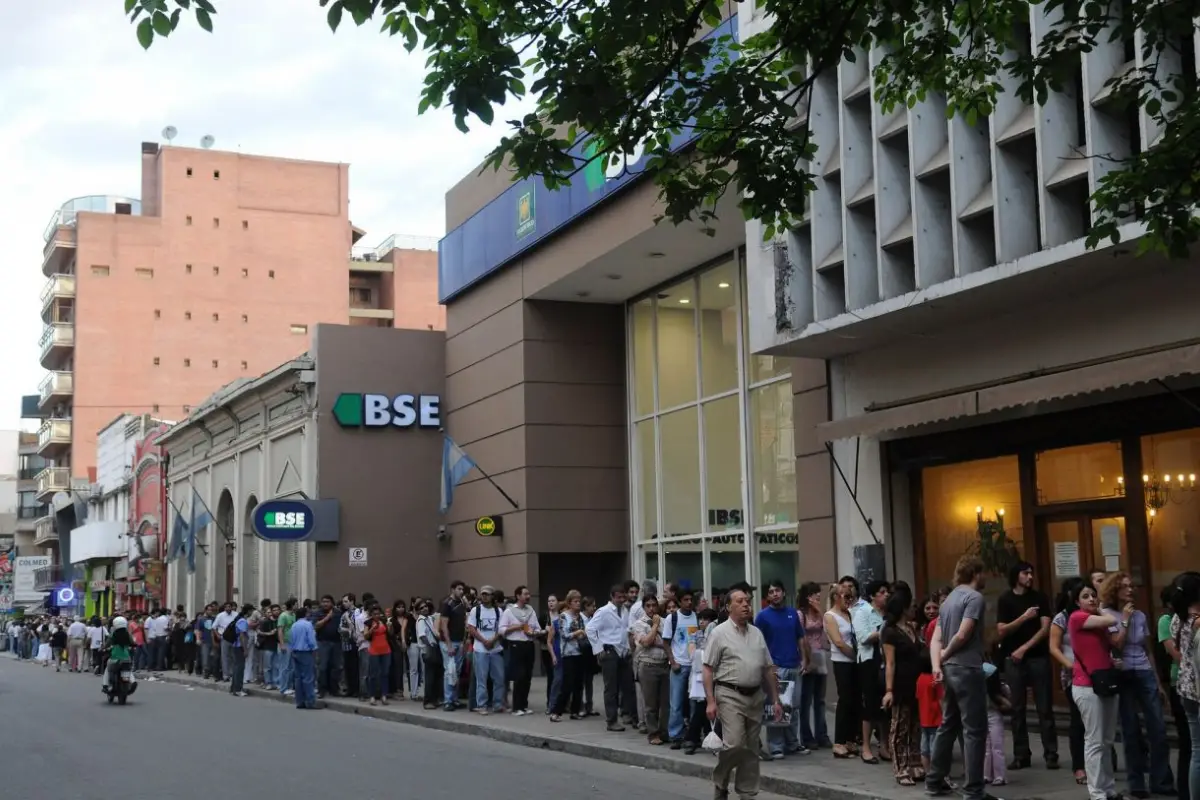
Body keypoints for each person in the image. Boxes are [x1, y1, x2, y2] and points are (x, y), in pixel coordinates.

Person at [703, 587, 782, 800]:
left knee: (751, 748)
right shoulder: (719, 633)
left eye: (747, 600)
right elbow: (708, 668)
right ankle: (720, 781)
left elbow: (768, 668)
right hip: (729, 694)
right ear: (729, 607)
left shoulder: (757, 633)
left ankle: (746, 792)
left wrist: (776, 699)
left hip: (755, 696)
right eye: (740, 601)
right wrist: (710, 701)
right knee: (735, 744)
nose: (746, 604)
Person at [1101, 570, 1175, 798]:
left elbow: (1147, 649)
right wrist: (1124, 619)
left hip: (1143, 671)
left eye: (1132, 586)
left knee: (1158, 729)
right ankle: (1137, 784)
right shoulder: (1106, 614)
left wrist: (1157, 680)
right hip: (1123, 674)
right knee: (1131, 730)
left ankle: (1161, 781)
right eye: (1125, 586)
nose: (1131, 590)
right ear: (1115, 590)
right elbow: (1116, 645)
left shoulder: (1141, 615)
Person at [927, 555, 989, 800]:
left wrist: (938, 663)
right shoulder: (974, 598)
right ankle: (973, 789)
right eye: (983, 572)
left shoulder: (949, 599)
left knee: (948, 724)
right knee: (974, 730)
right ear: (975, 573)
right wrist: (945, 655)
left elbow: (937, 637)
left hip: (951, 670)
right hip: (967, 667)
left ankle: (934, 780)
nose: (985, 577)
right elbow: (963, 634)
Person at [995, 561, 1057, 771]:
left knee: (1044, 707)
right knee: (1017, 708)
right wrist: (1023, 618)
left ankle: (1051, 753)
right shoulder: (1005, 599)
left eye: (1031, 573)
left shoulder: (1040, 598)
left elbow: (1045, 628)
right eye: (1025, 573)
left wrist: (1024, 648)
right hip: (1012, 659)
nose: (1030, 577)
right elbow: (1002, 630)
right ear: (1016, 575)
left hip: (1037, 657)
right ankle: (1021, 754)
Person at [1071, 578, 1123, 800]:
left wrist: (1112, 662)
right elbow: (1112, 619)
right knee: (1094, 740)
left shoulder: (1096, 622)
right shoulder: (1078, 618)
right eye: (1086, 596)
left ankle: (1108, 787)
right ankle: (1097, 792)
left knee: (1108, 739)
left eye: (1093, 595)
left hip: (1105, 681)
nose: (1091, 599)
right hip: (1086, 686)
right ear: (1076, 602)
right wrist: (1101, 607)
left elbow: (1110, 640)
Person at [881, 590, 924, 786]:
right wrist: (889, 690)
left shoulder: (911, 628)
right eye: (910, 605)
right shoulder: (889, 632)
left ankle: (915, 762)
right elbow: (890, 662)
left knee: (915, 726)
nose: (914, 608)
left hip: (916, 683)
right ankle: (901, 767)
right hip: (900, 684)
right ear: (902, 608)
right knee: (900, 727)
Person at [1050, 576, 1089, 787]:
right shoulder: (1062, 618)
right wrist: (1069, 665)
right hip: (1073, 674)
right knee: (1078, 719)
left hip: (1094, 672)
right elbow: (1054, 646)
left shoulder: (1091, 615)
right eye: (1084, 594)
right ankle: (1079, 766)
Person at [825, 582, 861, 759]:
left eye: (850, 596)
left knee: (855, 700)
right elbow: (838, 641)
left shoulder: (850, 614)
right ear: (835, 597)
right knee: (845, 699)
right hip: (842, 661)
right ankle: (839, 741)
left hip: (854, 661)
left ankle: (850, 739)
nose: (849, 600)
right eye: (845, 596)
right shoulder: (830, 616)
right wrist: (856, 655)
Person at [288, 605, 319, 709]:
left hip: (295, 651)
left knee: (298, 678)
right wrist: (314, 649)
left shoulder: (294, 625)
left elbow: (290, 639)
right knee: (308, 677)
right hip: (305, 652)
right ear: (306, 614)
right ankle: (310, 701)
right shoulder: (308, 625)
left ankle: (299, 701)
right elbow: (311, 640)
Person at [103, 616, 135, 692]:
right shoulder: (128, 634)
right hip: (126, 658)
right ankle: (133, 681)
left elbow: (107, 644)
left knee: (107, 668)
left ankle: (105, 685)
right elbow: (133, 643)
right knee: (128, 670)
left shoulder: (113, 634)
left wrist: (103, 648)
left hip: (114, 659)